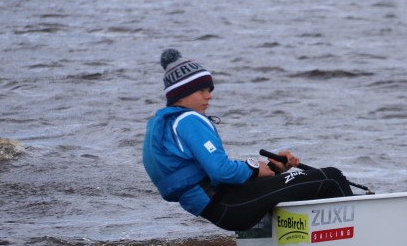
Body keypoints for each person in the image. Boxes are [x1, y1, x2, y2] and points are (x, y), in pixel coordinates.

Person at [143, 49, 354, 231]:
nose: (209, 96)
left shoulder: (165, 125)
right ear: (181, 94)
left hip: (222, 208)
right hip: (230, 205)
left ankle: (314, 240)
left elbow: (211, 178)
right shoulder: (188, 120)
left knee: (300, 181)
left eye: (209, 90)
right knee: (332, 178)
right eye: (202, 90)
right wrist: (254, 168)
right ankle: (355, 238)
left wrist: (273, 168)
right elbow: (221, 171)